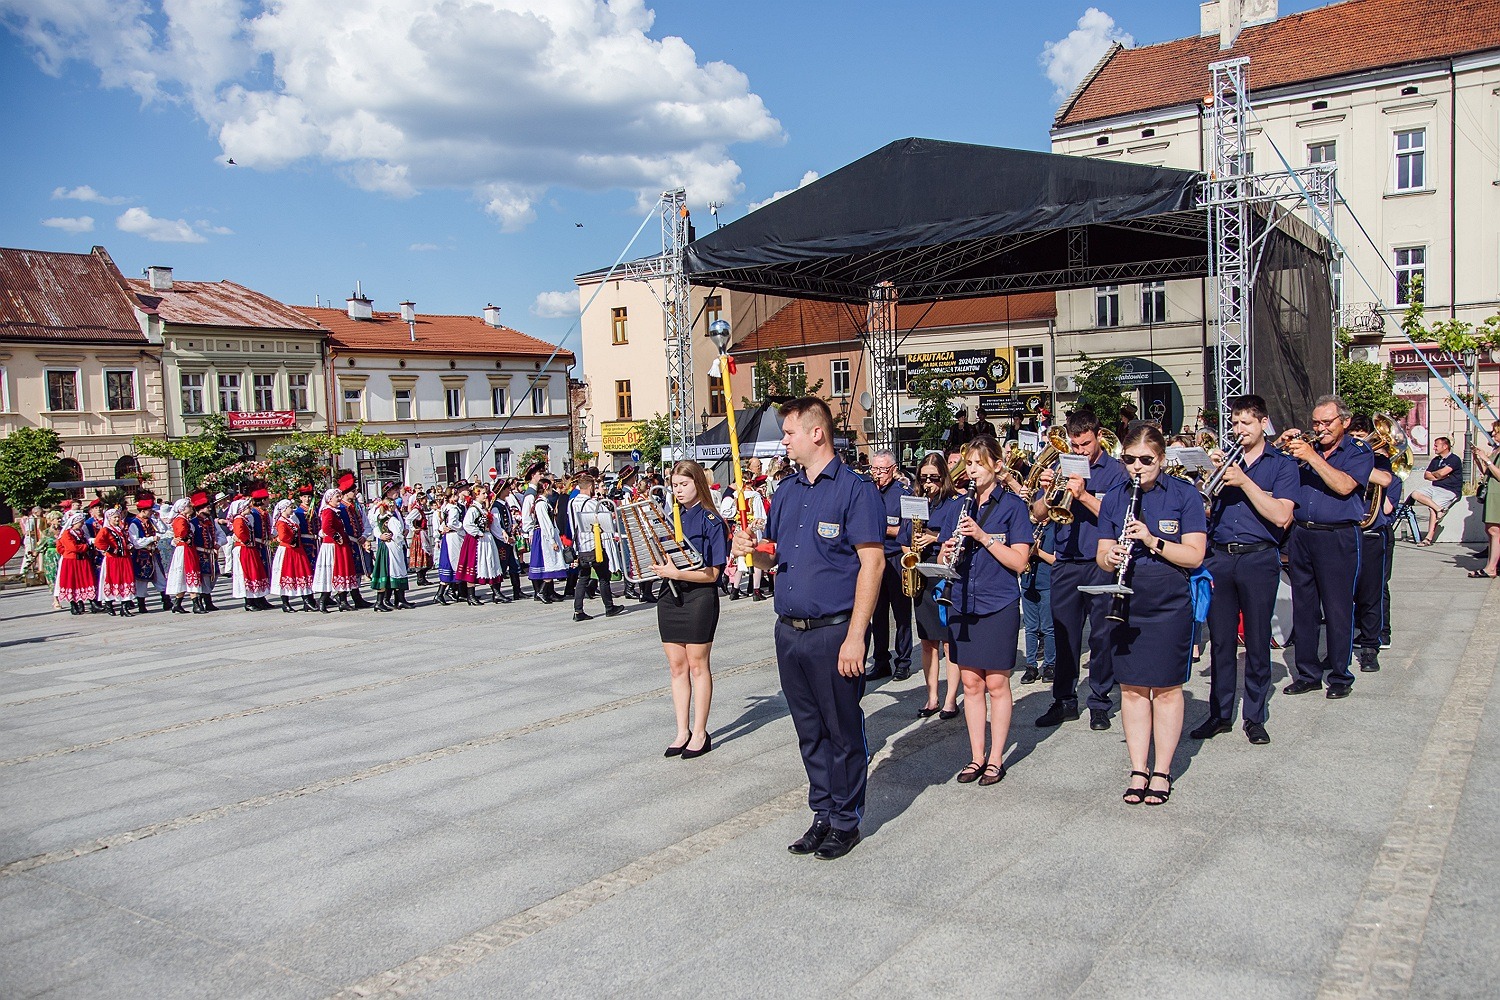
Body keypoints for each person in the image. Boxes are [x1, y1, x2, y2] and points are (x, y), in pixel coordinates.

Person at [732, 397, 885, 861]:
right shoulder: (787, 491)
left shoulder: (855, 490)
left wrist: (856, 636)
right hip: (790, 632)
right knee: (809, 730)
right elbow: (773, 558)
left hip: (834, 632)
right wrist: (749, 549)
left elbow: (873, 563)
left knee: (841, 729)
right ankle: (822, 812)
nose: (783, 441)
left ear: (817, 433)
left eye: (789, 432)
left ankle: (846, 819)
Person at [1095, 423, 1208, 805]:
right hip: (1127, 603)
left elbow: (1194, 555)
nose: (1137, 467)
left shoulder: (1183, 494)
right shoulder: (1115, 497)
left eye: (1146, 460)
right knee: (1131, 689)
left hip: (1169, 604)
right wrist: (1110, 557)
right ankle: (1138, 768)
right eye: (1130, 460)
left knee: (1167, 689)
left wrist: (1151, 539)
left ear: (1161, 459)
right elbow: (1101, 553)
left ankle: (1162, 770)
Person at [1189, 395, 1298, 746]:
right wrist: (1208, 477)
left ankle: (1254, 716)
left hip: (1258, 558)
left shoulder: (1281, 465)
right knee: (1221, 640)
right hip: (1221, 557)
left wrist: (1246, 482)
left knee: (1256, 639)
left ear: (1263, 423)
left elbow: (1281, 515)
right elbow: (1205, 510)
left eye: (1246, 423)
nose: (1239, 430)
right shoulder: (1226, 461)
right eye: (1235, 423)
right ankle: (1220, 713)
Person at [930, 436, 1034, 786]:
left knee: (996, 683)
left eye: (978, 464)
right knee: (971, 684)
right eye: (969, 464)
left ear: (997, 466)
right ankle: (976, 756)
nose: (971, 470)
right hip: (962, 601)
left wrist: (983, 537)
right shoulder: (960, 506)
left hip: (998, 602)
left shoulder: (1013, 507)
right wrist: (946, 551)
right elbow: (942, 556)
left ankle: (996, 758)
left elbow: (1019, 562)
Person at [1030, 410, 1128, 730]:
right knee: (1064, 635)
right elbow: (1038, 514)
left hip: (1100, 562)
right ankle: (1064, 701)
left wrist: (1083, 495)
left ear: (1099, 436)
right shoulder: (1063, 464)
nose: (1080, 451)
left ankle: (1099, 702)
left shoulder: (1115, 471)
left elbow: (1118, 517)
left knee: (1101, 635)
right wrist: (1048, 492)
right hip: (1065, 562)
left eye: (1085, 444)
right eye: (1075, 445)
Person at [1282, 394, 1375, 700]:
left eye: (1326, 422)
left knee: (1337, 609)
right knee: (1304, 608)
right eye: (1316, 423)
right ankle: (1308, 674)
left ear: (1344, 422)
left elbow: (1344, 486)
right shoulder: (1306, 450)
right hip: (1302, 534)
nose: (1320, 428)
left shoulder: (1358, 450)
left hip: (1338, 536)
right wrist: (1279, 447)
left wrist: (1311, 457)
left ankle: (1340, 675)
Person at [650, 460, 728, 758]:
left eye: (684, 484)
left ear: (698, 483)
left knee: (697, 665)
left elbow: (713, 573)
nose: (678, 490)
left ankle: (700, 732)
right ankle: (681, 730)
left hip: (699, 597)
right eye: (675, 485)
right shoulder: (672, 518)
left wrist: (677, 573)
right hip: (670, 596)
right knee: (677, 667)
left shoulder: (711, 520)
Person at [910, 453, 961, 719]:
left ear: (944, 477)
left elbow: (959, 537)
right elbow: (905, 535)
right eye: (924, 478)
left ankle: (951, 699)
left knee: (948, 641)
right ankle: (932, 697)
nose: (928, 483)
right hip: (921, 572)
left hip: (943, 572)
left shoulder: (955, 503)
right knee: (927, 640)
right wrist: (911, 548)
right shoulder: (917, 502)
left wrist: (934, 538)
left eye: (934, 478)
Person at [1348, 415, 1395, 673]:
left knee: (1371, 593)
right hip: (1346, 531)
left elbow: (1385, 481)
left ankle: (1370, 648)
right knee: (1342, 595)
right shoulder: (1342, 456)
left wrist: (1353, 464)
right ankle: (1340, 649)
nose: (1357, 440)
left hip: (1371, 532)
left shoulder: (1379, 459)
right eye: (1353, 436)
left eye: (1361, 436)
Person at [866, 449, 914, 680]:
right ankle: (881, 661)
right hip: (874, 557)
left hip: (896, 557)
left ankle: (903, 661)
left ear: (893, 470)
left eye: (882, 470)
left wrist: (881, 527)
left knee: (901, 613)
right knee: (878, 613)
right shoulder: (868, 491)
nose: (877, 474)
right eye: (874, 469)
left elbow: (908, 529)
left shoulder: (904, 494)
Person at [567, 474, 625, 621]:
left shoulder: (571, 502)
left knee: (583, 578)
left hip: (580, 545)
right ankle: (609, 607)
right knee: (603, 577)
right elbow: (607, 519)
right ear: (591, 487)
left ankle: (578, 611)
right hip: (594, 545)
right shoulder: (592, 503)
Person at [1019, 520, 1056, 686]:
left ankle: (1050, 665)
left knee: (1048, 628)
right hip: (1027, 582)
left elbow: (1057, 559)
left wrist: (1037, 552)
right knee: (1030, 628)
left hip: (1046, 582)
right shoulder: (1028, 527)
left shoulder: (1055, 528)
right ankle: (1031, 666)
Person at [313, 487, 360, 612]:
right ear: (329, 499)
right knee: (332, 572)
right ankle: (322, 601)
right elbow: (326, 527)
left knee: (342, 572)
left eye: (340, 496)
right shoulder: (328, 511)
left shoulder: (334, 511)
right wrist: (336, 536)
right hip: (332, 546)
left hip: (339, 545)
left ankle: (343, 601)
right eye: (337, 497)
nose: (339, 499)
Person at [1411, 436, 1464, 545]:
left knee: (1432, 509)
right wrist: (1438, 475)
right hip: (1435, 488)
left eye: (1436, 446)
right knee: (1415, 494)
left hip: (1450, 490)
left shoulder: (1454, 459)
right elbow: (1426, 475)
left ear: (1445, 446)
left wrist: (1436, 474)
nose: (1434, 448)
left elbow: (1441, 473)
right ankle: (1439, 509)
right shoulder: (1436, 460)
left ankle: (1428, 538)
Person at [269, 498, 315, 612]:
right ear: (284, 509)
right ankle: (285, 603)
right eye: (290, 508)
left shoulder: (290, 520)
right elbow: (283, 536)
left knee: (302, 574)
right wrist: (292, 540)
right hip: (287, 551)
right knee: (286, 574)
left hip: (297, 550)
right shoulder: (281, 521)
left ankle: (307, 601)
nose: (292, 510)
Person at [228, 497, 273, 611]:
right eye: (247, 507)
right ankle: (249, 602)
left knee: (254, 573)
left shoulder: (246, 519)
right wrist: (247, 541)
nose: (250, 508)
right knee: (246, 574)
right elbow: (240, 533)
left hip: (249, 549)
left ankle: (257, 599)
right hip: (244, 549)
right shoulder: (239, 519)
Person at [529, 476, 569, 602]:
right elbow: (545, 523)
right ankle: (541, 592)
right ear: (546, 489)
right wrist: (552, 540)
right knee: (549, 562)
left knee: (550, 562)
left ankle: (548, 592)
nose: (552, 490)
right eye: (551, 488)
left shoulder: (544, 502)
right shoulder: (541, 504)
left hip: (547, 534)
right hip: (544, 536)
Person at [127, 494, 169, 614]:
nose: (151, 512)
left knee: (160, 577)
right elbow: (136, 543)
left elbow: (163, 529)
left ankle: (166, 601)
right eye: (150, 510)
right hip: (142, 555)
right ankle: (141, 605)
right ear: (143, 511)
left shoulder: (151, 520)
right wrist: (151, 539)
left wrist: (157, 519)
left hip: (153, 553)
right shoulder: (134, 523)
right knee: (141, 580)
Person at [370, 497, 413, 611]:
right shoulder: (392, 519)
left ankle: (396, 600)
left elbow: (375, 528)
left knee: (389, 571)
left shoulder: (380, 517)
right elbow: (397, 535)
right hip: (393, 547)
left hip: (385, 547)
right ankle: (390, 601)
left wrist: (380, 536)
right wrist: (401, 536)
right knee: (397, 571)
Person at [94, 507, 138, 616]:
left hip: (124, 559)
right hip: (112, 560)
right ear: (109, 519)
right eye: (114, 517)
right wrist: (111, 549)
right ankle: (109, 605)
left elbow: (125, 541)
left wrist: (129, 545)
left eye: (118, 517)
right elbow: (98, 542)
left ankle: (124, 607)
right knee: (112, 580)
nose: (117, 519)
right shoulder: (105, 530)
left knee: (126, 580)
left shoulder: (120, 529)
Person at [165, 495, 204, 614]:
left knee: (185, 575)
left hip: (188, 549)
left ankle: (177, 604)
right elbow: (181, 533)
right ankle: (195, 605)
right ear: (182, 508)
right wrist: (186, 538)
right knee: (189, 572)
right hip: (184, 549)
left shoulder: (185, 519)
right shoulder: (180, 519)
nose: (191, 507)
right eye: (188, 506)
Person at [55, 511, 98, 614]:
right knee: (73, 581)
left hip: (82, 560)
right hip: (71, 561)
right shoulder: (67, 534)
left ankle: (92, 603)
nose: (82, 524)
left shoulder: (80, 533)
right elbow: (72, 547)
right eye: (80, 522)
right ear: (74, 523)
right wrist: (86, 546)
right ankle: (74, 605)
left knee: (86, 580)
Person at [1471, 441, 1500, 578]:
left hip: (1497, 493)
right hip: (1492, 492)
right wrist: (1477, 458)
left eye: (1495, 432)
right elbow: (1487, 472)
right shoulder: (1496, 450)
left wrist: (1486, 459)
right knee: (1490, 530)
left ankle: (1491, 567)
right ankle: (1492, 565)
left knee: (1494, 531)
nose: (1493, 435)